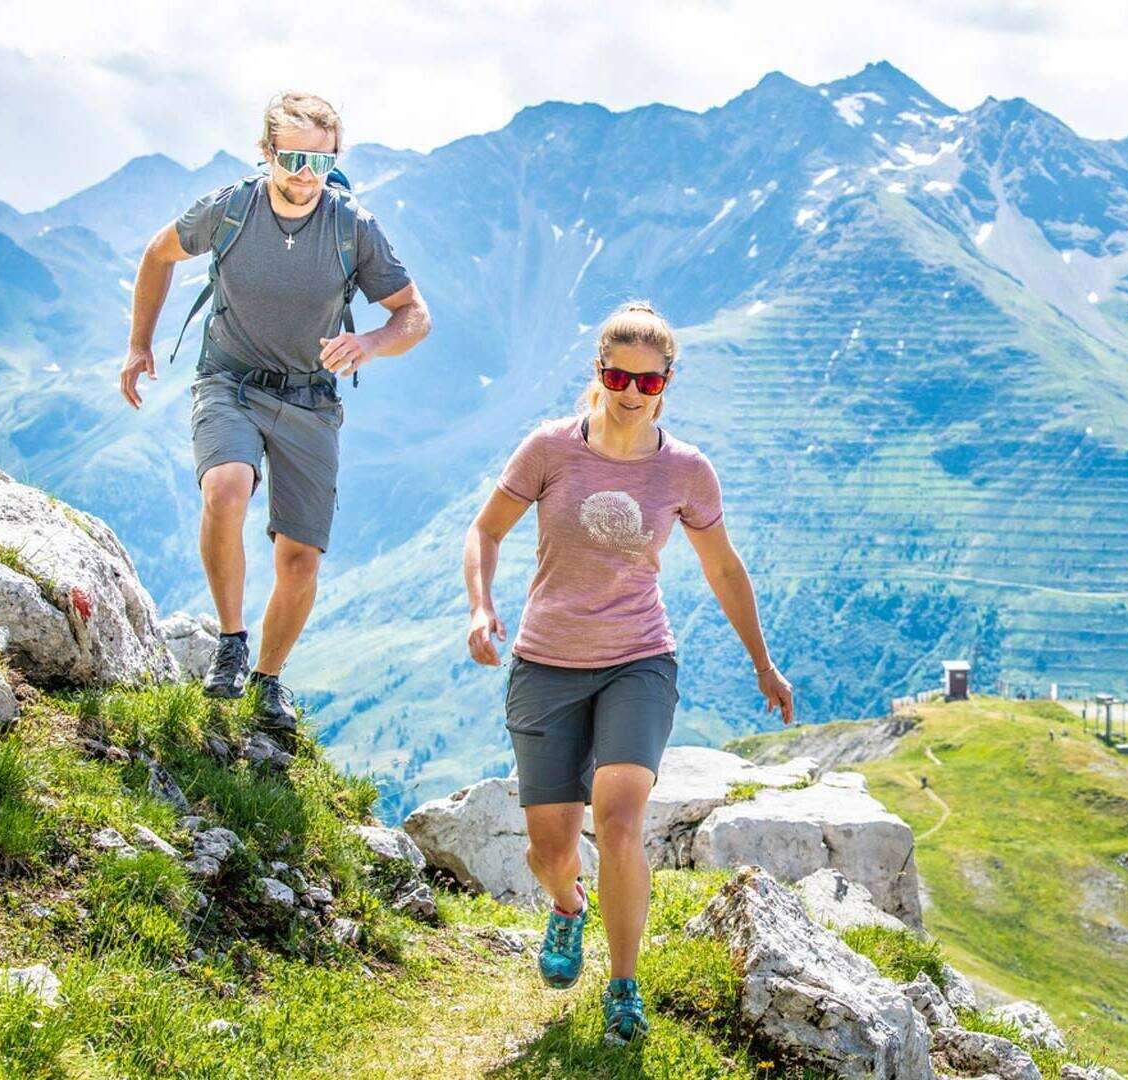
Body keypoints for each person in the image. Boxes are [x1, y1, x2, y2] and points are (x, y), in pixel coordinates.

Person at [463, 300, 794, 1046]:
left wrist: (763, 663)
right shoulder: (550, 449)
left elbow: (723, 568)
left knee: (618, 822)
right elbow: (484, 532)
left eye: (649, 381)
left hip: (639, 660)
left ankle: (623, 986)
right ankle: (568, 907)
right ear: (598, 374)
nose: (632, 392)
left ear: (667, 383)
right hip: (546, 661)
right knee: (549, 848)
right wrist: (481, 609)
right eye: (619, 375)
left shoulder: (685, 470)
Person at [119, 91, 430, 734]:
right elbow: (157, 255)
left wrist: (369, 343)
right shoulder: (230, 210)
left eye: (320, 160)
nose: (303, 173)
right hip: (229, 380)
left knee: (299, 558)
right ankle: (230, 644)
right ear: (265, 153)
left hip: (310, 398)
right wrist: (139, 344)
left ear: (335, 158)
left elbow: (414, 314)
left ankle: (267, 680)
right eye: (289, 157)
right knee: (226, 488)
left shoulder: (354, 227)